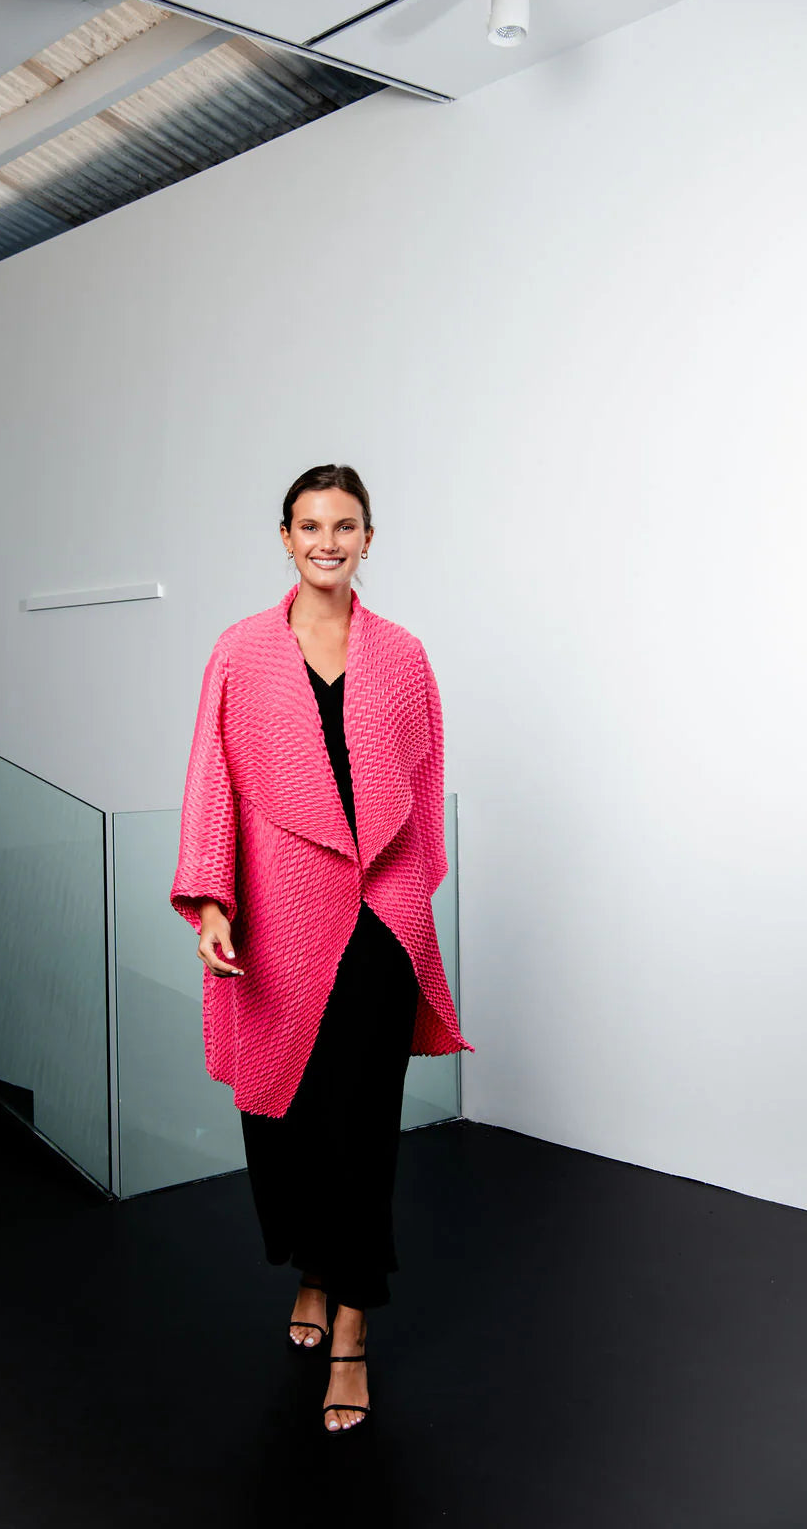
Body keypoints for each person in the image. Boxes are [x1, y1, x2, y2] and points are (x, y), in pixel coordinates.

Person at [169, 463, 474, 1434]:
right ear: (286, 537)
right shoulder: (240, 651)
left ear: (368, 539)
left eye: (345, 526)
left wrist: (402, 892)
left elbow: (422, 784)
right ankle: (310, 1265)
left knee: (360, 1124)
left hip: (376, 917)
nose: (328, 542)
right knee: (285, 1116)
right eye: (311, 526)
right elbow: (211, 777)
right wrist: (213, 901)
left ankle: (352, 1321)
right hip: (274, 912)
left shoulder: (404, 656)